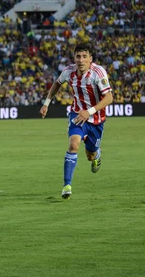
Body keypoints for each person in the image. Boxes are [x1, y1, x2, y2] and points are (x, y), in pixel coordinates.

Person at [40, 44, 113, 199]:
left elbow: (109, 98)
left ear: (90, 59)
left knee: (90, 155)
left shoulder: (98, 73)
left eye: (84, 56)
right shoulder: (69, 71)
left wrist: (90, 111)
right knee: (73, 145)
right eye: (78, 56)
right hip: (77, 115)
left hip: (96, 119)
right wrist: (46, 103)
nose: (81, 60)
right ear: (74, 58)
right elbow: (57, 84)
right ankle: (67, 185)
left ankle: (97, 153)